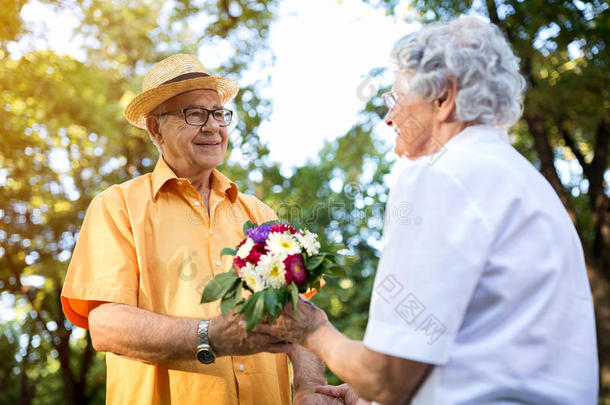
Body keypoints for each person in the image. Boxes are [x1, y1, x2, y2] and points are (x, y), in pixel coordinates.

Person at [254, 15, 599, 404]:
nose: (388, 117)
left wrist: (312, 329)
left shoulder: (440, 176)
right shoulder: (529, 184)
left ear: (444, 98)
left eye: (396, 99)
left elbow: (386, 379)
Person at [60, 54, 336, 405]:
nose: (212, 127)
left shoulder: (259, 214)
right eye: (194, 114)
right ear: (155, 128)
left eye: (219, 113)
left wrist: (310, 387)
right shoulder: (117, 206)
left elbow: (299, 319)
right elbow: (107, 327)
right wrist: (213, 335)